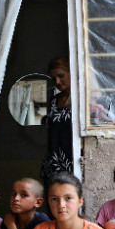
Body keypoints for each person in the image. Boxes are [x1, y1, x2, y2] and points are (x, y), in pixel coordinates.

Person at [40, 57, 73, 185]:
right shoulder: (53, 101)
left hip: (72, 161)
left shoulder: (79, 99)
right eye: (54, 78)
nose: (57, 82)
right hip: (52, 162)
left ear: (71, 72)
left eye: (61, 76)